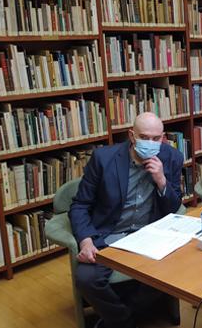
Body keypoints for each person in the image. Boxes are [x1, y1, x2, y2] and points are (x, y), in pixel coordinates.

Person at [69, 112, 184, 328]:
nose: (151, 143)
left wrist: (161, 181)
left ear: (163, 137)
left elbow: (173, 207)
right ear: (132, 135)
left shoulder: (171, 157)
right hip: (109, 235)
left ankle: (118, 317)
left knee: (177, 267)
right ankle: (124, 321)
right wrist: (85, 240)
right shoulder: (104, 158)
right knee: (86, 278)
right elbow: (80, 205)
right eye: (144, 137)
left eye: (156, 138)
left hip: (149, 235)